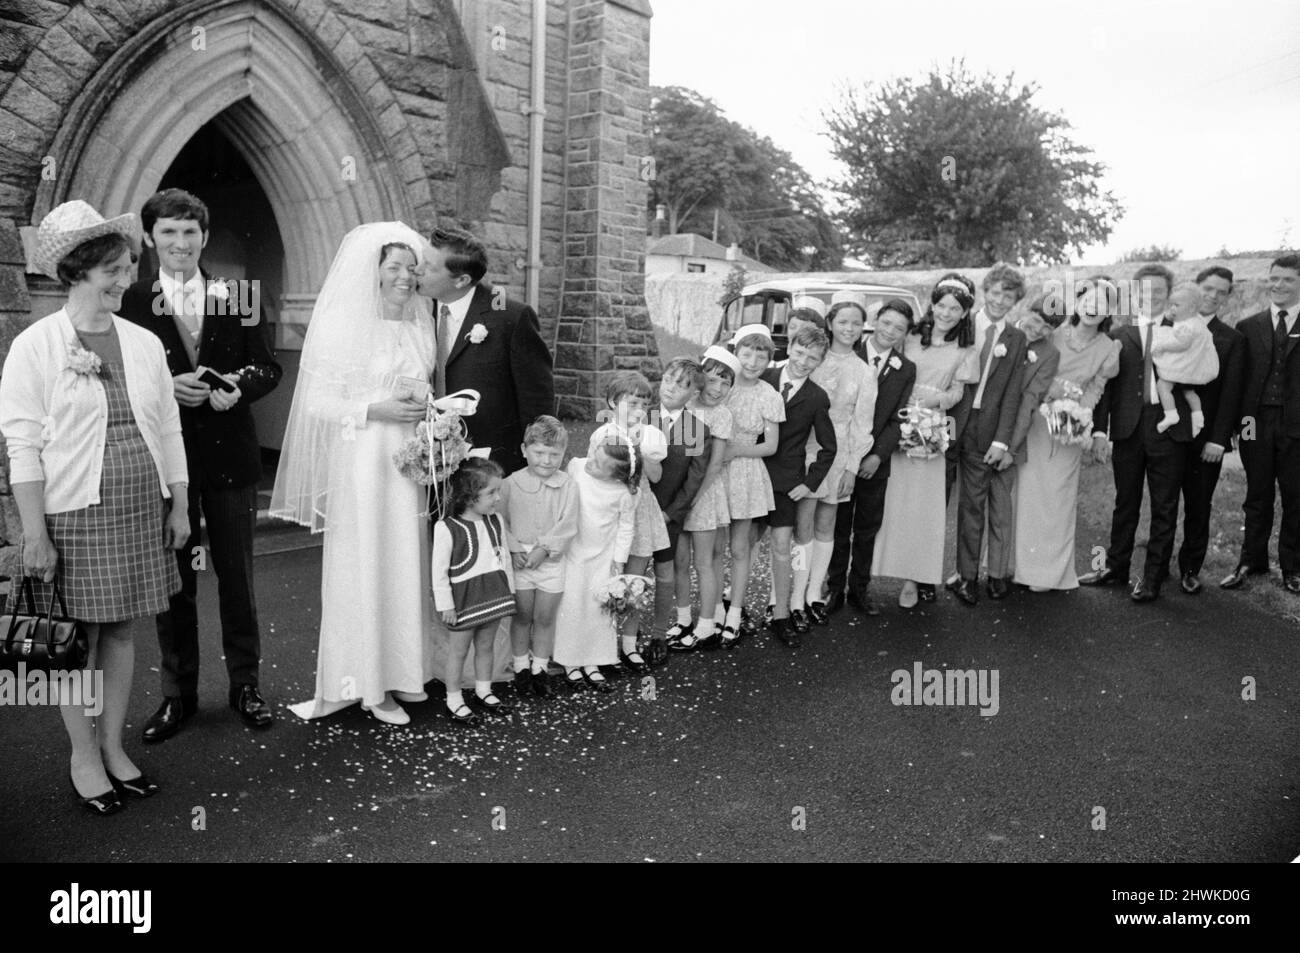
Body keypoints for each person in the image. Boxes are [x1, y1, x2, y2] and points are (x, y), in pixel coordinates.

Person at [1, 201, 188, 815]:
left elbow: (168, 430)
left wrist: (179, 504)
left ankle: (113, 746)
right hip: (75, 511)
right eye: (110, 269)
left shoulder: (142, 341)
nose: (123, 279)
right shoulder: (36, 345)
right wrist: (34, 534)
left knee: (122, 628)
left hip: (139, 507)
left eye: (128, 266)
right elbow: (22, 445)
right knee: (78, 636)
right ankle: (82, 753)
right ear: (76, 271)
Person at [118, 188, 281, 741]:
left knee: (237, 579)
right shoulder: (132, 301)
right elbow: (124, 379)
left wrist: (238, 385)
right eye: (168, 232)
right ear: (149, 238)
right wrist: (169, 386)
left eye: (190, 232)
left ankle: (245, 686)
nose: (180, 243)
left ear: (204, 237)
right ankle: (177, 695)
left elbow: (267, 367)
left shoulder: (237, 295)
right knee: (173, 585)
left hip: (231, 459)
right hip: (165, 465)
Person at [271, 222, 445, 726]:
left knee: (405, 560)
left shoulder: (420, 323)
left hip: (409, 461)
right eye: (393, 267)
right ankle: (368, 685)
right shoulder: (346, 325)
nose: (405, 277)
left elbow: (423, 388)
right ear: (373, 273)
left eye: (412, 268)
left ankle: (404, 671)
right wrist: (377, 409)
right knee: (366, 562)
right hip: (364, 457)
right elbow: (319, 403)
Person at [1081, 273, 1194, 602]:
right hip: (1128, 429)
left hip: (1169, 430)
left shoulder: (1183, 333)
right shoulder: (1119, 335)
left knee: (1164, 506)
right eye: (1145, 291)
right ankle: (1115, 568)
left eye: (1159, 291)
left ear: (1168, 294)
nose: (1152, 296)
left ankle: (1153, 577)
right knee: (1125, 502)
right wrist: (1101, 431)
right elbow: (1105, 389)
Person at [873, 277, 979, 608]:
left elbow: (959, 392)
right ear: (932, 305)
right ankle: (876, 567)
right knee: (891, 501)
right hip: (898, 419)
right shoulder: (911, 337)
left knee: (923, 507)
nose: (947, 313)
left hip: (930, 427)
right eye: (942, 305)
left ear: (964, 314)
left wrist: (935, 402)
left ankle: (913, 577)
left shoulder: (965, 350)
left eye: (955, 308)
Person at [418, 226, 554, 475]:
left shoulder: (510, 318)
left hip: (492, 466)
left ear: (461, 280)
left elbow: (537, 400)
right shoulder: (417, 312)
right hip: (428, 459)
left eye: (429, 267)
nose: (418, 271)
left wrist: (538, 467)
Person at [1013, 284, 1120, 592]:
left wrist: (1077, 415)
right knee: (1026, 494)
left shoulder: (1109, 348)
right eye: (1089, 300)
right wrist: (1046, 401)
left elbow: (1095, 389)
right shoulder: (1054, 334)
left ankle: (1047, 573)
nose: (1093, 307)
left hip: (1067, 429)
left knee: (1057, 499)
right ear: (1079, 302)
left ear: (1108, 312)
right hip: (1035, 420)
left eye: (1102, 303)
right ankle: (1019, 567)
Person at [826, 301, 917, 616]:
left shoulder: (905, 368)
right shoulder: (849, 353)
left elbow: (897, 417)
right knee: (838, 525)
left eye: (899, 329)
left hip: (875, 462)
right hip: (840, 457)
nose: (890, 332)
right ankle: (833, 588)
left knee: (866, 528)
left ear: (905, 334)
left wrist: (878, 455)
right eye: (886, 323)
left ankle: (860, 590)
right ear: (876, 321)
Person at [1221, 253, 1300, 595]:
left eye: (1288, 280)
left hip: (1296, 425)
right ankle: (1251, 560)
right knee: (1257, 492)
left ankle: (1293, 567)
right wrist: (1237, 426)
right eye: (1275, 278)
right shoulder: (1248, 326)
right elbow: (1237, 381)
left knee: (1296, 496)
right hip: (1254, 422)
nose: (1279, 285)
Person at [950, 265, 1029, 606]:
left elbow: (1012, 393)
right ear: (985, 292)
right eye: (995, 293)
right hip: (948, 421)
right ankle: (920, 577)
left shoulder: (1015, 338)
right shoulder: (960, 324)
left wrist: (1002, 441)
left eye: (1007, 296)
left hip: (984, 430)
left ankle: (967, 577)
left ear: (1015, 301)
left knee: (973, 506)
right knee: (933, 498)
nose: (999, 300)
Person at [797, 302, 876, 625]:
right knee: (797, 526)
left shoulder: (864, 371)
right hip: (801, 448)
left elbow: (863, 423)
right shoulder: (812, 357)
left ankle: (814, 591)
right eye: (842, 321)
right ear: (830, 323)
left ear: (862, 328)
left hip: (838, 453)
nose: (848, 328)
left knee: (826, 524)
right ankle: (791, 591)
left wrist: (852, 468)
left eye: (855, 323)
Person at [759, 325, 836, 647]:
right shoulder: (763, 379)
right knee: (742, 546)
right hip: (751, 474)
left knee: (784, 547)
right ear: (788, 347)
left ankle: (783, 610)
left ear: (820, 362)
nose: (804, 362)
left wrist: (808, 484)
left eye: (813, 359)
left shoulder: (817, 397)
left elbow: (828, 448)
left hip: (786, 482)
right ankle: (730, 611)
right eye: (800, 353)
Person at [588, 371, 670, 671]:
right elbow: (595, 474)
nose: (638, 410)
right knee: (609, 579)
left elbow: (657, 476)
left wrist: (643, 450)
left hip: (642, 510)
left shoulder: (649, 434)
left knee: (635, 581)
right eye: (632, 403)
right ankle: (602, 645)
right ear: (612, 402)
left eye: (644, 404)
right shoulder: (604, 435)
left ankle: (629, 643)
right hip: (613, 511)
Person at [499, 415, 579, 699]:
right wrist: (514, 549)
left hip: (551, 561)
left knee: (544, 617)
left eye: (554, 454)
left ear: (562, 455)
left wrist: (544, 549)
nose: (546, 460)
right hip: (520, 561)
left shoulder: (568, 484)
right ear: (524, 450)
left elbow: (568, 523)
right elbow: (500, 520)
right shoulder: (510, 483)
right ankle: (521, 666)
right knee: (522, 616)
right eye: (539, 453)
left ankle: (540, 669)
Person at [433, 458, 518, 723]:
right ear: (470, 497)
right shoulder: (446, 528)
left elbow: (503, 559)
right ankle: (454, 698)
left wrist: (510, 592)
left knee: (486, 646)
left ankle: (483, 690)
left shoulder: (496, 521)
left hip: (493, 595)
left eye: (498, 491)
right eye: (491, 492)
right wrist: (445, 605)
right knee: (458, 651)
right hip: (464, 600)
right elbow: (439, 572)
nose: (498, 498)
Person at [1176, 266, 1244, 594]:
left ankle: (1190, 568)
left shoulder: (1232, 339)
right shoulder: (1169, 325)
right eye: (1208, 288)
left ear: (1227, 297)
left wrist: (1219, 439)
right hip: (1167, 436)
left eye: (1221, 291)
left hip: (1206, 441)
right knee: (1162, 505)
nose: (1212, 295)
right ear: (1196, 287)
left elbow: (1231, 394)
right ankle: (1154, 568)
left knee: (1199, 505)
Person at [553, 439, 639, 690]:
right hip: (573, 551)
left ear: (616, 476)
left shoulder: (624, 493)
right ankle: (569, 661)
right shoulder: (577, 467)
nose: (590, 462)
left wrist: (618, 562)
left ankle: (593, 661)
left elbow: (626, 527)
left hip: (603, 556)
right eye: (593, 455)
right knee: (571, 605)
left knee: (597, 608)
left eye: (600, 465)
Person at [717, 325, 784, 644]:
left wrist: (735, 451)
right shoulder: (720, 387)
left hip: (745, 472)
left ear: (769, 359)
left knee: (740, 547)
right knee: (714, 547)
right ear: (736, 353)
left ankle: (734, 613)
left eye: (761, 356)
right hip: (715, 471)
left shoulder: (768, 395)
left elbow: (770, 446)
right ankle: (713, 612)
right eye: (746, 353)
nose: (753, 361)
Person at [645, 358, 711, 665]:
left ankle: (658, 635)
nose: (672, 387)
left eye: (683, 385)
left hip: (667, 515)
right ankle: (624, 640)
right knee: (626, 574)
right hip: (631, 511)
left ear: (694, 393)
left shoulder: (696, 429)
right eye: (669, 379)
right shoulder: (640, 417)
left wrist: (672, 513)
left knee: (664, 572)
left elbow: (694, 479)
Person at [670, 346, 735, 650]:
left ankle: (707, 625)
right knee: (679, 561)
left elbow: (714, 464)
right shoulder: (685, 407)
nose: (718, 389)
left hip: (703, 496)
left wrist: (693, 500)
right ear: (699, 380)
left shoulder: (721, 415)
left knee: (704, 563)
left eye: (726, 384)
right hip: (678, 495)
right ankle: (683, 620)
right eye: (712, 381)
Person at [1150, 286, 1220, 436]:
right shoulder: (1196, 320)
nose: (1172, 309)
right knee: (1189, 392)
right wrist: (1170, 318)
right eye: (1171, 305)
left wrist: (1162, 346)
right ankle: (1198, 416)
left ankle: (1171, 414)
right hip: (1192, 367)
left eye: (1176, 305)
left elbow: (1182, 343)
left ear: (1191, 308)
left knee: (1163, 386)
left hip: (1183, 366)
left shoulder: (1187, 326)